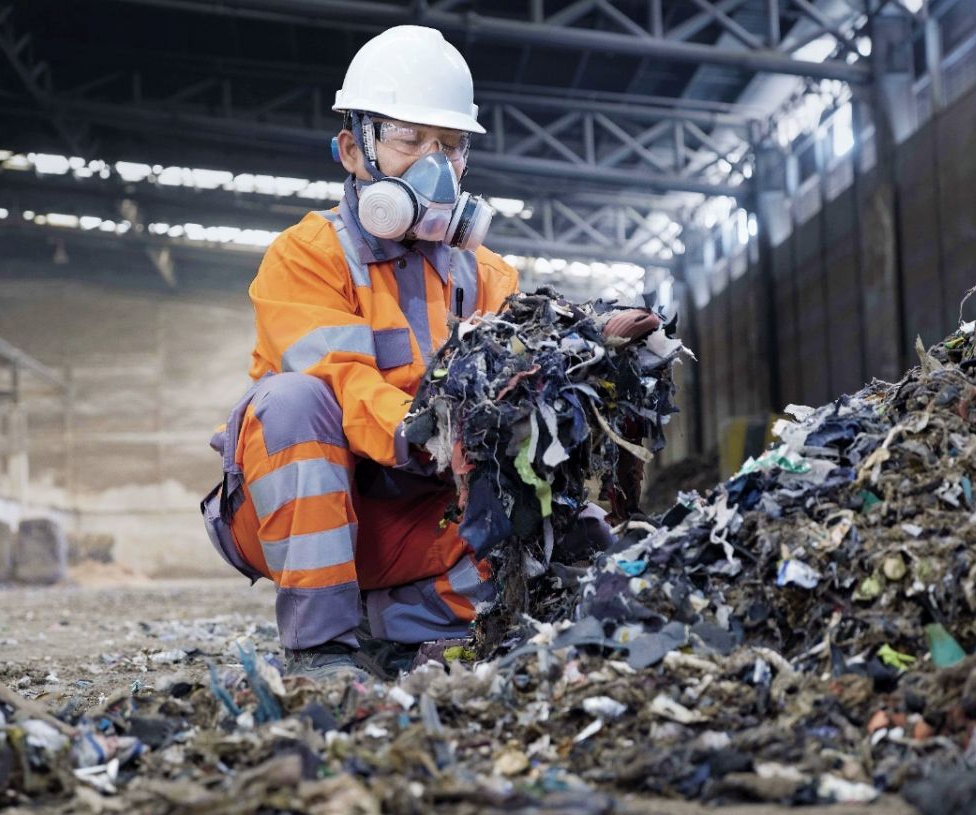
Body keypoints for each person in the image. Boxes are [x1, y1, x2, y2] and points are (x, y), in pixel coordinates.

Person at [201, 25, 650, 680]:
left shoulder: (486, 275)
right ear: (356, 150)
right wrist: (442, 428)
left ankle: (385, 628)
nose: (433, 165)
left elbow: (518, 385)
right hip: (313, 511)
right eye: (410, 141)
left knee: (558, 539)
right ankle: (321, 650)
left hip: (420, 517)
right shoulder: (308, 256)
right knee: (291, 401)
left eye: (450, 146)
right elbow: (342, 387)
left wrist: (581, 351)